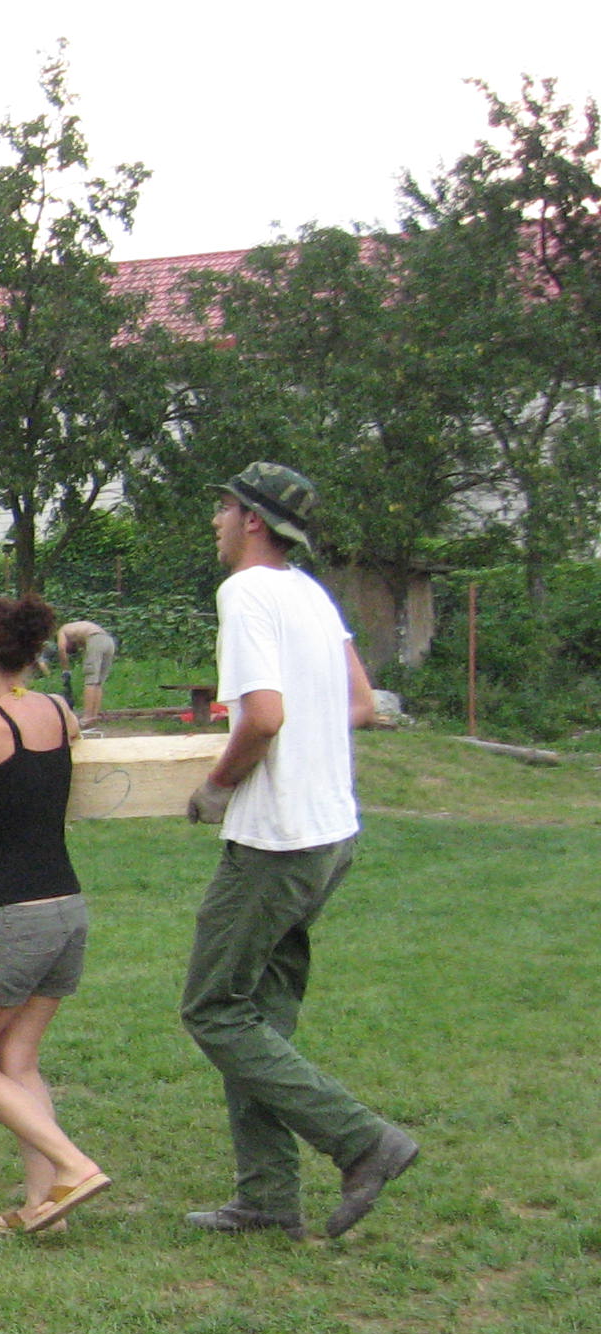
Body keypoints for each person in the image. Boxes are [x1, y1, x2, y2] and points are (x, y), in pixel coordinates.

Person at [179, 464, 415, 1238]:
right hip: (331, 835)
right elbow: (360, 703)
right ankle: (267, 1199)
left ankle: (363, 1142)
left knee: (214, 1011)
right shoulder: (311, 593)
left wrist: (218, 784)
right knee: (258, 1022)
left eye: (223, 507)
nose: (216, 520)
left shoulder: (246, 593)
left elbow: (263, 716)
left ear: (252, 519)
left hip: (275, 841)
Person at [0, 597, 106, 1232]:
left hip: (11, 916)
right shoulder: (58, 710)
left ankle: (73, 1166)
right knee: (19, 1059)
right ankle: (44, 1208)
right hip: (67, 908)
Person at [58, 619, 120, 731]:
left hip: (95, 639)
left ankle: (86, 718)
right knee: (98, 682)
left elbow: (61, 649)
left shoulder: (62, 630)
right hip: (109, 641)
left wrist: (65, 669)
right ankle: (93, 717)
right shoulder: (78, 629)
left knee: (90, 680)